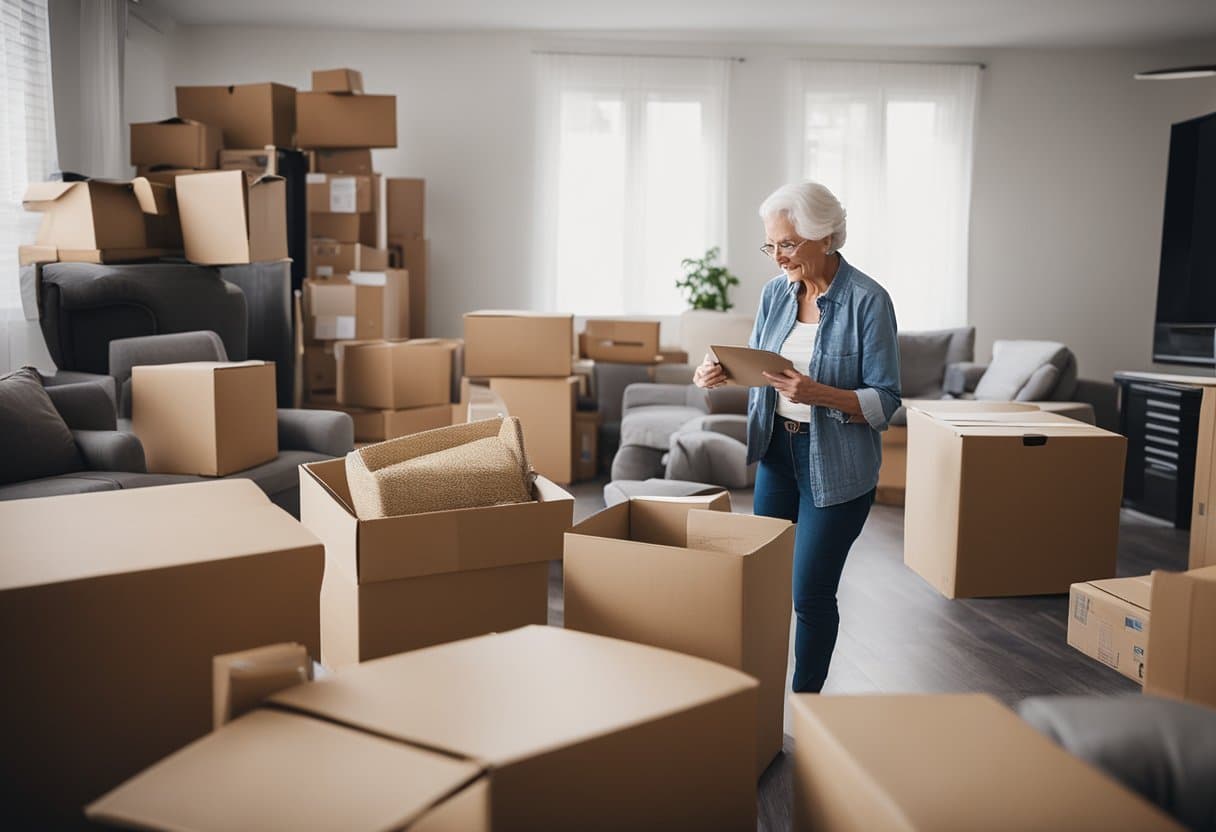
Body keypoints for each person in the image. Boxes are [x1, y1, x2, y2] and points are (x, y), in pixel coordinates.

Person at [693, 181, 901, 693]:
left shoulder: (868, 301)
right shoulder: (775, 294)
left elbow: (886, 401)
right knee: (764, 583)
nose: (778, 257)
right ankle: (760, 704)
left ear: (824, 237)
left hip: (837, 466)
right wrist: (717, 371)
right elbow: (757, 361)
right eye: (772, 245)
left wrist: (820, 394)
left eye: (787, 244)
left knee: (809, 592)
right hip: (777, 455)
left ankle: (807, 709)